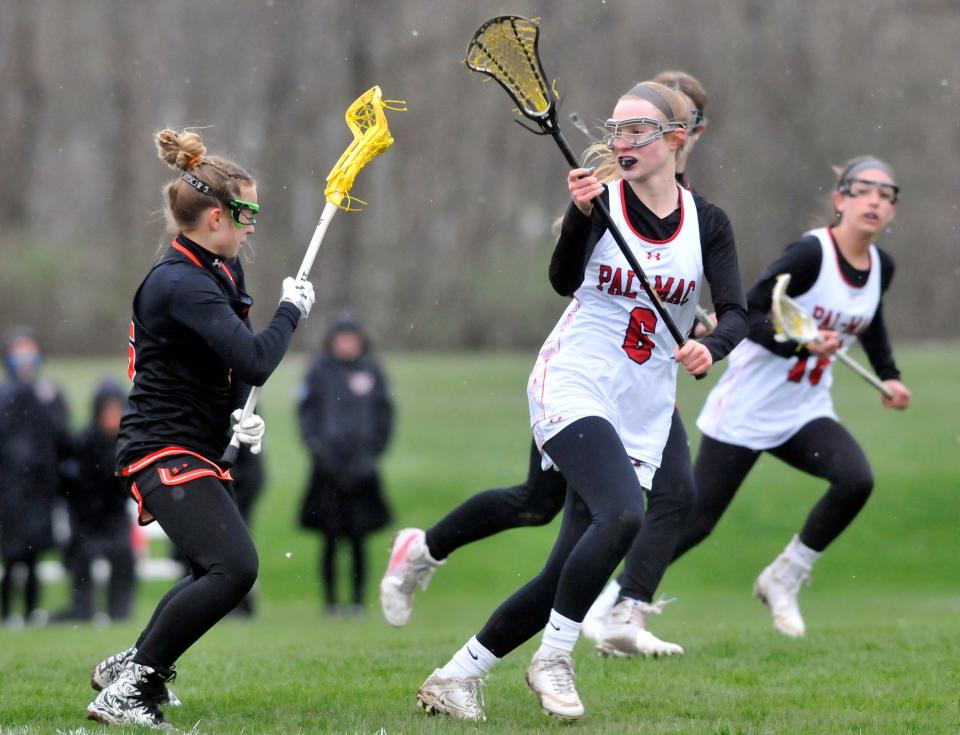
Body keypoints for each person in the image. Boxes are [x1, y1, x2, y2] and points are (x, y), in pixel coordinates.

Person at [414, 80, 747, 722]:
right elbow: (563, 280)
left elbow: (736, 312)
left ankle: (455, 678)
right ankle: (555, 658)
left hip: (643, 402)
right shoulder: (601, 204)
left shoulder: (708, 222)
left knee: (562, 575)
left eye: (636, 130)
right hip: (573, 380)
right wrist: (580, 218)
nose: (620, 140)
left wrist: (716, 346)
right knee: (621, 517)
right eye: (615, 129)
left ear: (674, 140)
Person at [85, 128, 315, 728]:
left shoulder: (217, 270)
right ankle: (129, 686)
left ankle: (132, 669)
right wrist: (292, 310)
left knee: (210, 569)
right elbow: (258, 356)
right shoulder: (181, 281)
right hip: (162, 446)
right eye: (248, 213)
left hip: (191, 441)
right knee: (233, 569)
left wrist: (243, 412)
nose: (253, 225)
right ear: (215, 215)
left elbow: (232, 366)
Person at [676, 155, 910, 637]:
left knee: (855, 480)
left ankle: (784, 576)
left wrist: (889, 374)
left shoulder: (881, 266)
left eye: (886, 196)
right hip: (748, 403)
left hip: (804, 410)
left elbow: (870, 321)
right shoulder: (810, 255)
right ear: (840, 200)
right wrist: (798, 341)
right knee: (696, 522)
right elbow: (748, 314)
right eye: (864, 190)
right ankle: (615, 598)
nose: (876, 201)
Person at [583, 69, 714, 656]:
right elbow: (576, 281)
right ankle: (426, 547)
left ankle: (618, 610)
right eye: (630, 129)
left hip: (643, 383)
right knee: (538, 503)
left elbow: (670, 279)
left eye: (692, 119)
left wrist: (694, 322)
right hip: (584, 379)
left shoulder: (693, 208)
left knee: (670, 494)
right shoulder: (609, 195)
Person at [299, 312, 393, 616]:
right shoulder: (319, 371)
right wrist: (319, 449)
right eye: (342, 339)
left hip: (362, 469)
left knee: (358, 537)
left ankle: (357, 601)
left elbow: (385, 415)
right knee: (329, 536)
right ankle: (330, 602)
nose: (347, 345)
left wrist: (372, 453)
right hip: (327, 469)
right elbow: (306, 415)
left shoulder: (372, 371)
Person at [0, 326, 70, 629]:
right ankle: (6, 616)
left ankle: (30, 614)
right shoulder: (4, 397)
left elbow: (61, 437)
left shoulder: (50, 395)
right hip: (8, 491)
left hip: (40, 491)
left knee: (33, 557)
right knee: (11, 556)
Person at [55, 379, 136, 623]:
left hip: (115, 517)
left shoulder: (128, 443)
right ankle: (82, 610)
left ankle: (119, 611)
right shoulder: (82, 441)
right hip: (85, 519)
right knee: (83, 554)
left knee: (124, 552)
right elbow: (69, 486)